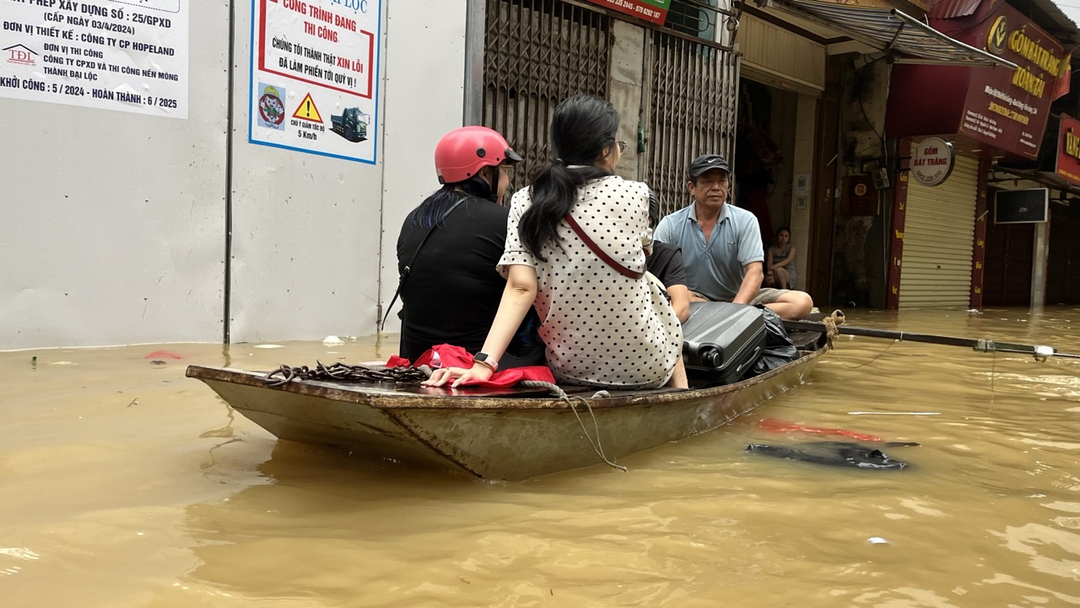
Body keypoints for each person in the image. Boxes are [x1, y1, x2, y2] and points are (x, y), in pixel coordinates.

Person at [425, 94, 687, 389]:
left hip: (568, 369)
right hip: (646, 368)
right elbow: (641, 254)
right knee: (654, 288)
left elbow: (520, 287)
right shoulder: (636, 194)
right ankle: (682, 397)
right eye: (618, 144)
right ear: (605, 149)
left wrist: (483, 364)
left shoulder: (525, 199)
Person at [395, 125, 543, 366]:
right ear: (485, 173)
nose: (507, 181)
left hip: (417, 358)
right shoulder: (504, 220)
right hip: (476, 363)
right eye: (505, 172)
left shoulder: (414, 219)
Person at [654, 154, 813, 321]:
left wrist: (735, 309)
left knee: (802, 303)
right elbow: (656, 277)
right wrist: (682, 296)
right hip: (692, 299)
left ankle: (728, 316)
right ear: (691, 187)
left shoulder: (745, 220)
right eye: (708, 181)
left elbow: (755, 272)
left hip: (737, 298)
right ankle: (734, 316)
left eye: (722, 181)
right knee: (670, 299)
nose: (716, 187)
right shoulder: (671, 224)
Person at [646, 189, 690, 323]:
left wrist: (658, 334)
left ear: (649, 220)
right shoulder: (602, 252)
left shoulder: (666, 255)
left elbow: (681, 307)